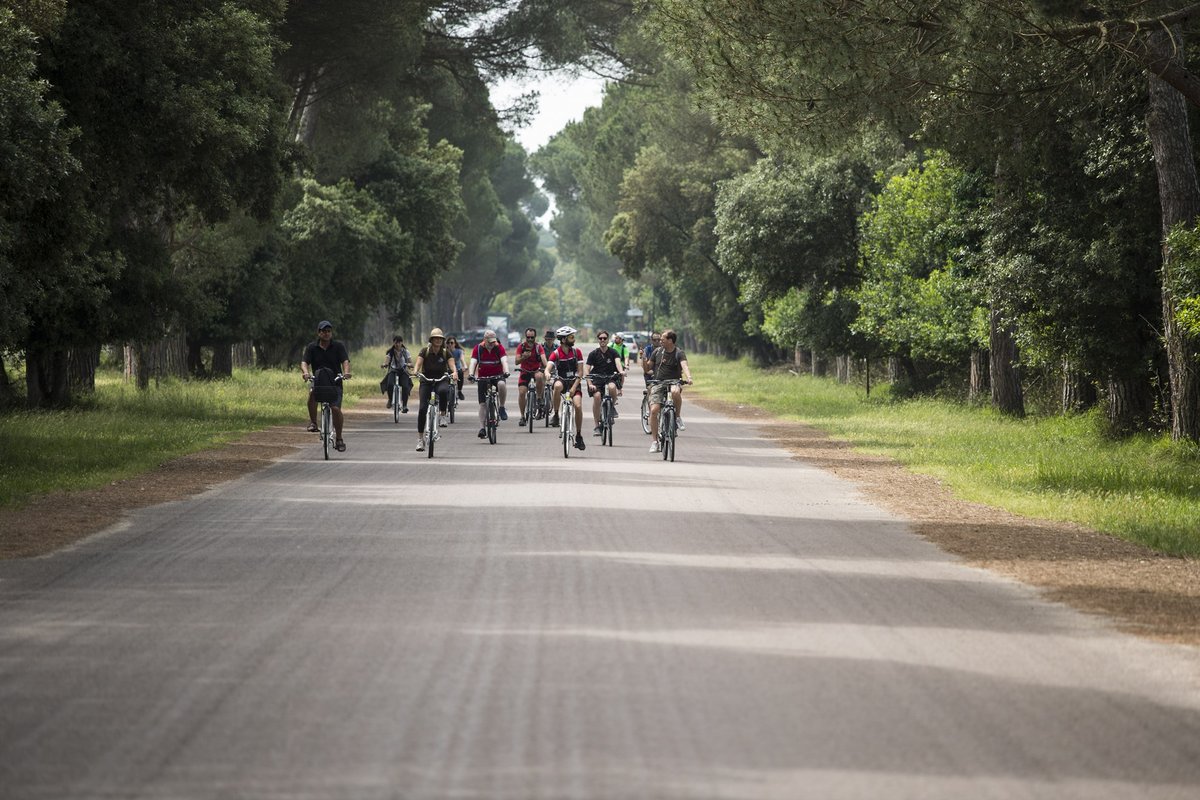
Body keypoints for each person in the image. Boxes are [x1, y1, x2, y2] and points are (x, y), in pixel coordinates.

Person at [301, 320, 352, 452]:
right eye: (324, 331)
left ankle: (339, 438)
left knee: (335, 408)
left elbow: (345, 361)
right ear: (319, 333)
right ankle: (313, 422)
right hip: (318, 382)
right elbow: (304, 362)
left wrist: (346, 372)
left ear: (331, 333)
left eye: (329, 331)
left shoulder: (338, 346)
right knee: (312, 394)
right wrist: (306, 373)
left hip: (335, 383)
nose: (326, 334)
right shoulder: (312, 347)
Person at [646, 328, 693, 453]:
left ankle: (677, 417)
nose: (660, 340)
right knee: (654, 411)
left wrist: (689, 377)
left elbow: (684, 365)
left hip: (674, 381)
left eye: (662, 339)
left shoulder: (679, 353)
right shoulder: (657, 352)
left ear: (670, 340)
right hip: (658, 383)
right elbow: (647, 368)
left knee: (675, 392)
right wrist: (642, 359)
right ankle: (655, 441)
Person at [412, 328, 458, 451]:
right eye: (435, 338)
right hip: (426, 380)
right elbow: (418, 363)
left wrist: (454, 373)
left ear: (442, 340)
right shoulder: (425, 351)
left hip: (441, 379)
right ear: (431, 340)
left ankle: (443, 415)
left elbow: (452, 365)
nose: (437, 340)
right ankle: (420, 439)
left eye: (440, 338)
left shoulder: (445, 352)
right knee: (422, 409)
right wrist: (416, 371)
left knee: (443, 391)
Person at [546, 325, 586, 450]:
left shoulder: (576, 352)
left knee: (578, 406)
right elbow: (548, 367)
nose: (573, 339)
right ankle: (556, 414)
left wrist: (574, 388)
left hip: (574, 382)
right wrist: (547, 374)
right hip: (562, 380)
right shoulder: (556, 353)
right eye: (571, 337)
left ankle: (579, 435)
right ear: (563, 340)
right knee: (557, 386)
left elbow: (580, 373)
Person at [468, 329, 509, 439]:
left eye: (493, 341)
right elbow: (473, 362)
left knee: (501, 385)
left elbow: (504, 360)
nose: (492, 344)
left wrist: (506, 371)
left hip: (497, 376)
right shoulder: (478, 348)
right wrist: (471, 374)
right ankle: (482, 428)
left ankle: (501, 407)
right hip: (483, 378)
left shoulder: (498, 347)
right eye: (489, 341)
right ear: (484, 340)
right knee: (482, 404)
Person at [587, 330, 625, 435]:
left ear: (608, 340)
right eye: (600, 338)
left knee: (612, 387)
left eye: (605, 338)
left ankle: (611, 407)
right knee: (597, 396)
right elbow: (587, 369)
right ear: (598, 340)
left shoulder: (613, 352)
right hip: (597, 378)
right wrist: (590, 383)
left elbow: (618, 363)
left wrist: (621, 371)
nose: (603, 340)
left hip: (610, 376)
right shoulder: (593, 354)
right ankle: (596, 426)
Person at [513, 326, 548, 424]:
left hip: (536, 371)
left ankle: (539, 398)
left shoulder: (538, 347)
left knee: (539, 376)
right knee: (522, 392)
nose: (530, 339)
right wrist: (523, 357)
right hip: (525, 371)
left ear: (535, 337)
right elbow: (516, 361)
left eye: (532, 337)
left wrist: (547, 368)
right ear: (525, 337)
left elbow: (544, 360)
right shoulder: (521, 347)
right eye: (528, 337)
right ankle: (522, 416)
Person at [380, 335, 413, 412]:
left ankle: (404, 405)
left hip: (403, 371)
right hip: (393, 370)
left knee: (405, 386)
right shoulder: (391, 352)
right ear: (393, 343)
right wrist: (384, 364)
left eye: (399, 342)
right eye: (395, 343)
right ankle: (390, 399)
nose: (397, 344)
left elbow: (411, 363)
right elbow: (387, 360)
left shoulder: (406, 352)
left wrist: (409, 365)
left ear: (402, 343)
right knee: (389, 384)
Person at [447, 336, 466, 401]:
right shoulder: (445, 351)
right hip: (447, 369)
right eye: (448, 343)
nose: (450, 344)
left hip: (457, 369)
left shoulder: (459, 351)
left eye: (452, 343)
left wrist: (464, 366)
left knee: (460, 372)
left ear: (455, 344)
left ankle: (459, 391)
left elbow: (462, 359)